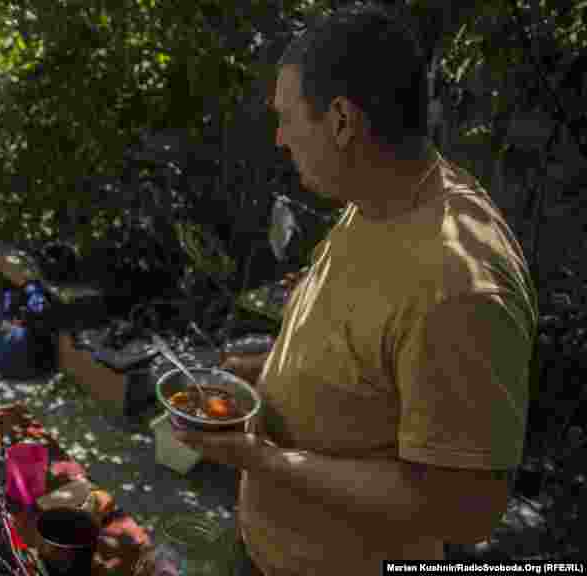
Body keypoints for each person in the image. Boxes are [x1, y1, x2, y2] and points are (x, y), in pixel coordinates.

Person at [177, 4, 538, 575]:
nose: (278, 137)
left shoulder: (459, 284)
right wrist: (263, 371)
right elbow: (367, 353)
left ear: (342, 121)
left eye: (287, 117)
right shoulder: (376, 201)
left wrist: (264, 460)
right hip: (268, 547)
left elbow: (465, 509)